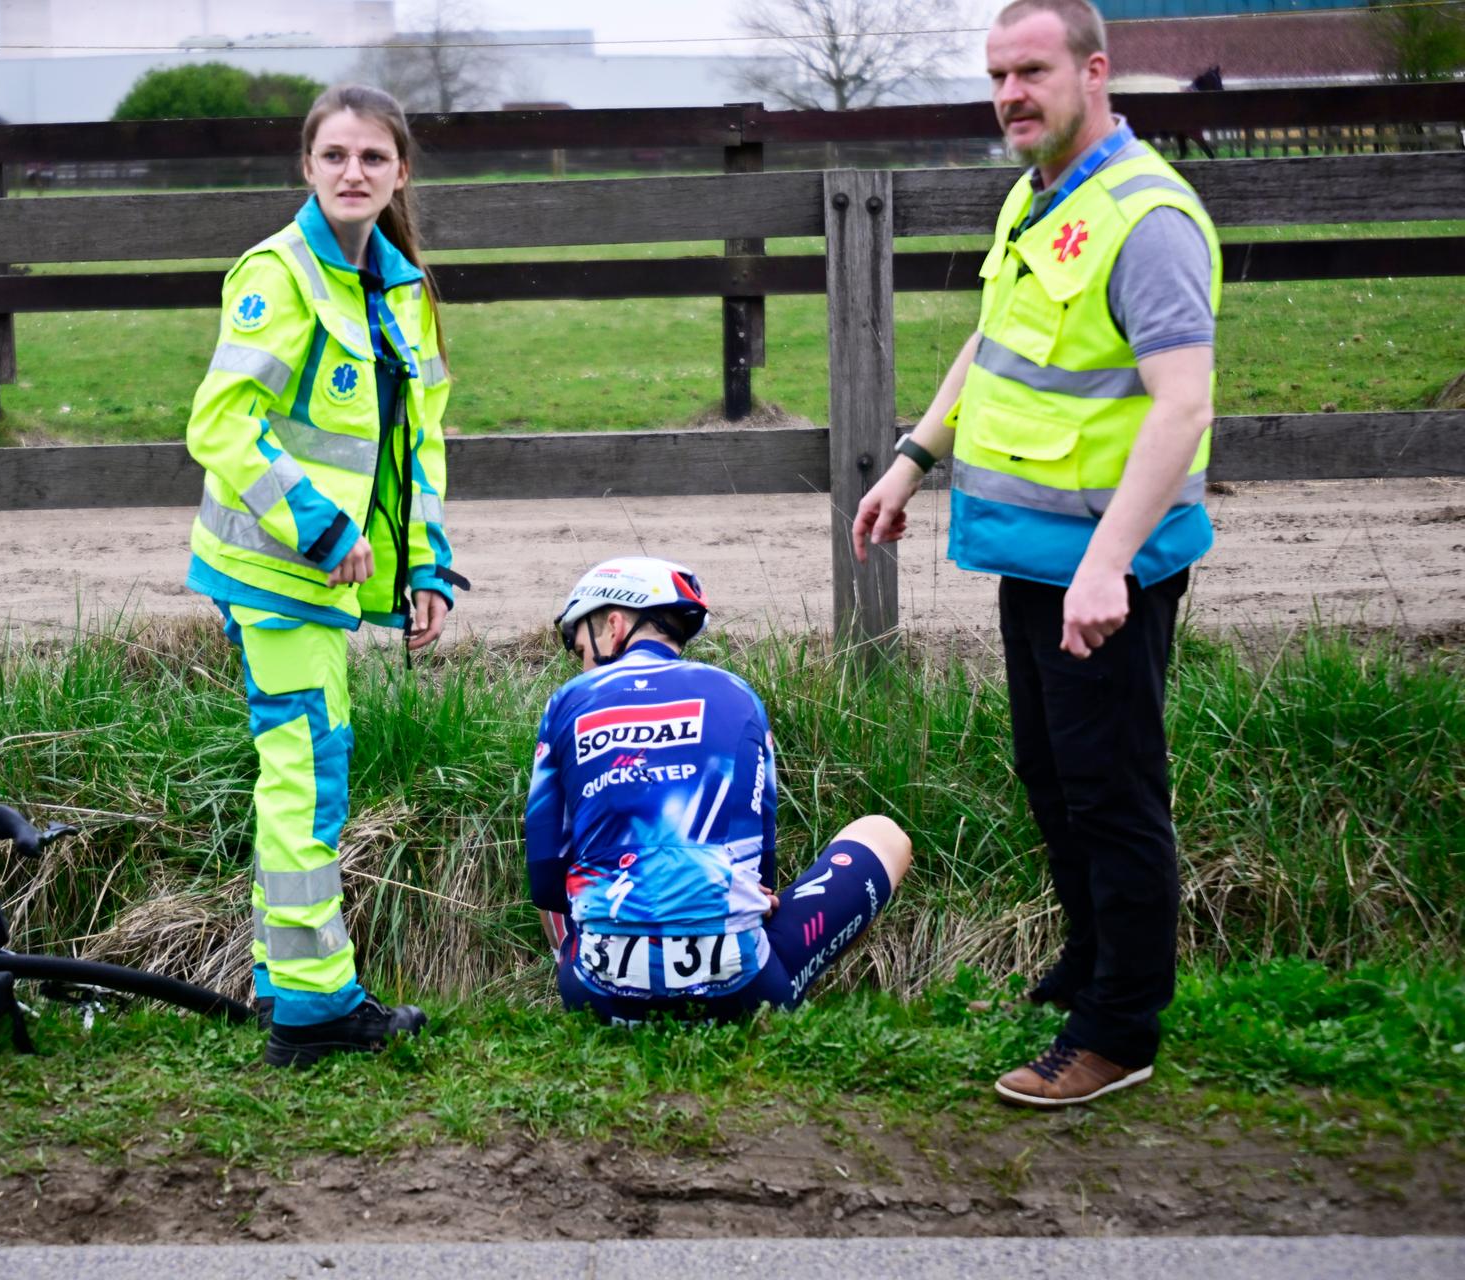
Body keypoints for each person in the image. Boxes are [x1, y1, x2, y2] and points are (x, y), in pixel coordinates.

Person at [852, 0, 1222, 1107]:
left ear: (1094, 72)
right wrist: (915, 454)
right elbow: (995, 340)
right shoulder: (1035, 195)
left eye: (1032, 71)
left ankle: (1119, 1027)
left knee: (1113, 790)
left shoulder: (1149, 216)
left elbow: (1182, 404)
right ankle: (1090, 960)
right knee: (1053, 774)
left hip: (1105, 566)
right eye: (997, 74)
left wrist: (1108, 562)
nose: (1010, 93)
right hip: (1030, 550)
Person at [184, 84, 466, 1068]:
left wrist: (423, 567)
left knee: (301, 771)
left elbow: (416, 447)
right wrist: (315, 525)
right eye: (335, 155)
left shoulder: (397, 288)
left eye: (373, 158)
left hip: (333, 582)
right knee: (308, 778)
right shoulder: (280, 272)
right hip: (275, 574)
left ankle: (283, 979)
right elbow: (220, 422)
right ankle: (314, 1007)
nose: (354, 173)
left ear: (400, 175)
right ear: (306, 167)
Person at [524, 557, 912, 1024]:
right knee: (884, 833)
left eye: (576, 642)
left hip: (596, 997)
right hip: (744, 994)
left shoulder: (567, 701)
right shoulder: (738, 694)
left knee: (570, 865)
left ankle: (609, 975)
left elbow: (546, 882)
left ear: (612, 625)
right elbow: (760, 872)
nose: (579, 659)